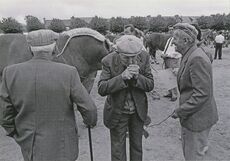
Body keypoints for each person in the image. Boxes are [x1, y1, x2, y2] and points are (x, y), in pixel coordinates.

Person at [0, 29, 97, 161]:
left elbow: (5, 113)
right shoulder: (69, 72)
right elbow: (89, 109)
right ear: (55, 49)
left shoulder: (10, 73)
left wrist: (16, 132)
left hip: (29, 142)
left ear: (30, 49)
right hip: (63, 144)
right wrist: (90, 121)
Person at [98, 35, 154, 161]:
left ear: (139, 53)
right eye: (126, 58)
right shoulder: (108, 60)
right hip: (118, 112)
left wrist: (137, 77)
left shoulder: (144, 57)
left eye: (134, 57)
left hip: (137, 112)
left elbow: (150, 84)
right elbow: (101, 88)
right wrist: (121, 77)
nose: (130, 61)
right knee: (118, 150)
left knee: (137, 147)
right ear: (118, 53)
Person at [171, 23, 218, 161]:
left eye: (175, 38)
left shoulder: (196, 58)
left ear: (186, 41)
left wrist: (180, 110)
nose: (172, 41)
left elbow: (202, 94)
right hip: (195, 116)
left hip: (197, 119)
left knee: (193, 156)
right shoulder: (191, 54)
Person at [161, 26, 181, 101]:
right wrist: (163, 54)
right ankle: (170, 92)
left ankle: (175, 95)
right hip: (167, 59)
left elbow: (178, 53)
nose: (170, 31)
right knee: (167, 76)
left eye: (172, 30)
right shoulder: (169, 39)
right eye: (169, 30)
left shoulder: (178, 40)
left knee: (172, 77)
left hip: (173, 60)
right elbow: (166, 49)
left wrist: (168, 55)